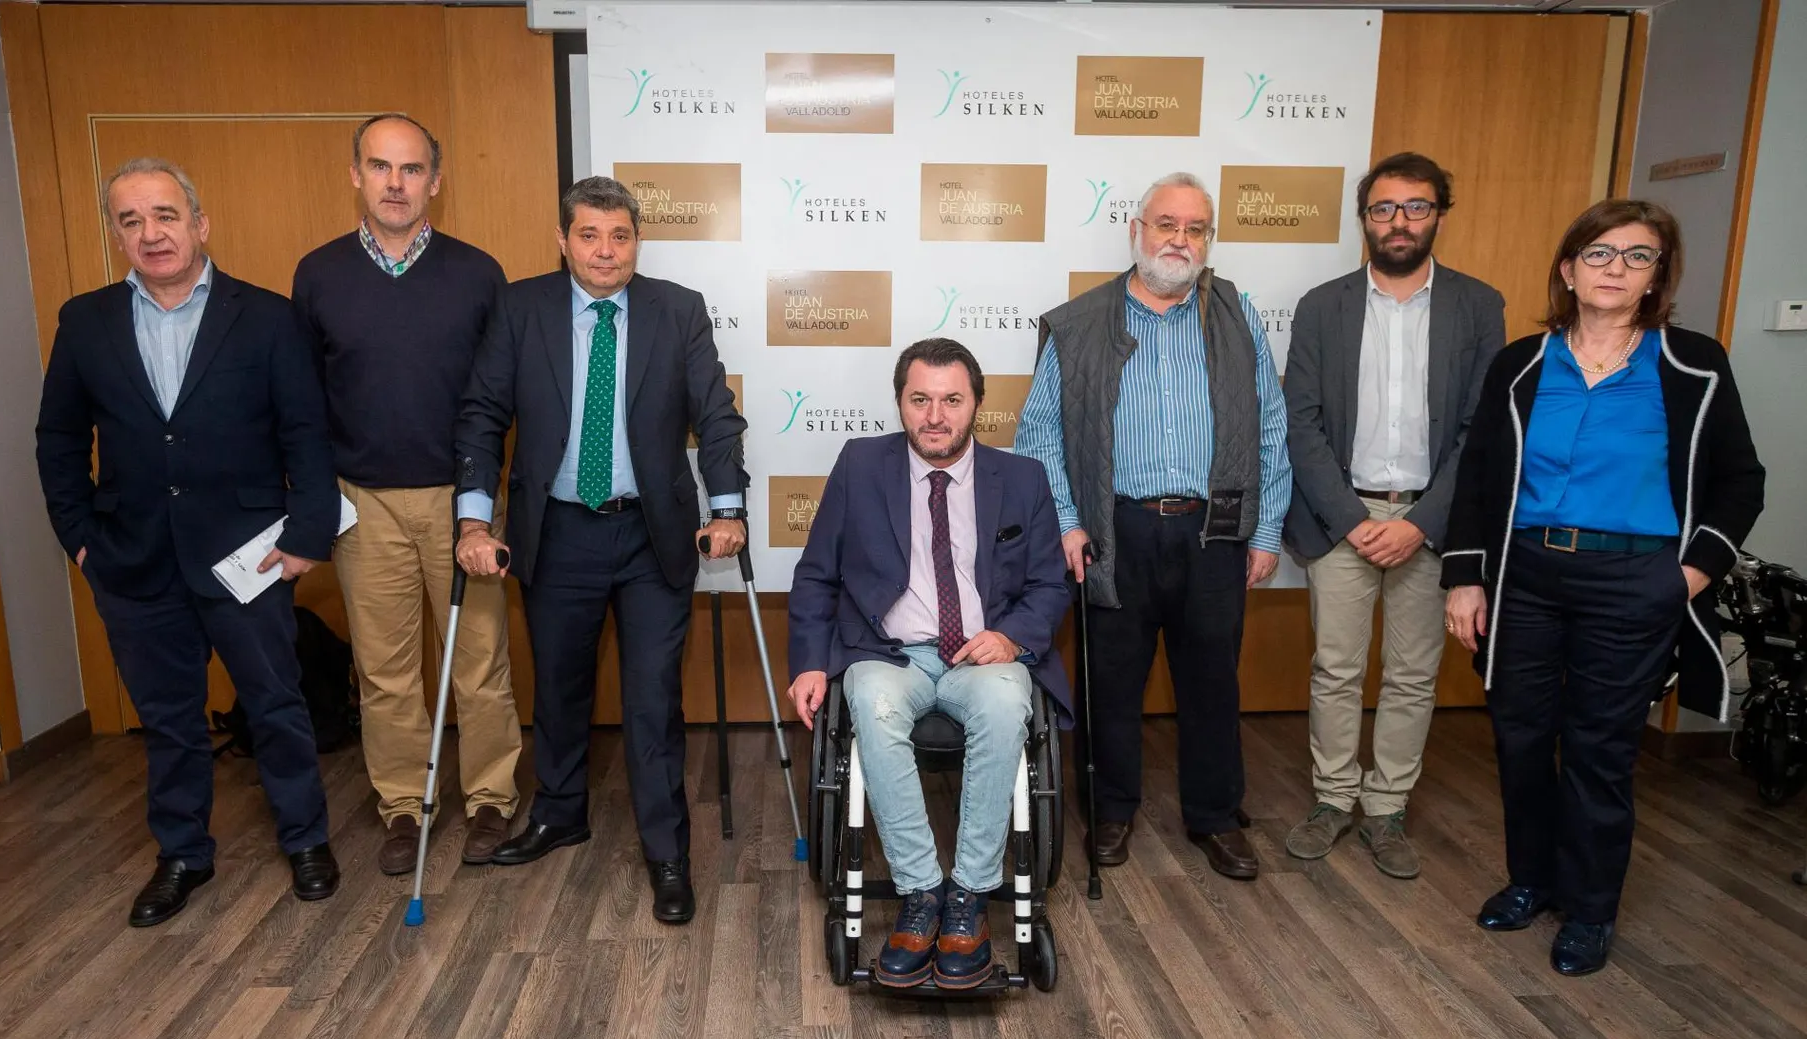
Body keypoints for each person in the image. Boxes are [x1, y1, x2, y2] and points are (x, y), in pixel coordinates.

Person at [1442, 199, 1763, 976]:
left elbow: (1740, 481)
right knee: (1520, 735)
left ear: (1658, 275)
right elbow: (1480, 476)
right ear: (1568, 269)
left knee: (1599, 747)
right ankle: (1531, 880)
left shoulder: (1693, 363)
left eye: (1637, 255)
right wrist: (1463, 577)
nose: (1615, 268)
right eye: (1599, 253)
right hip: (1526, 573)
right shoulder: (1521, 362)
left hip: (1634, 579)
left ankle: (1589, 909)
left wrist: (1685, 577)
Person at [35, 158, 341, 926]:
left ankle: (305, 839)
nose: (150, 233)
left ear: (200, 224)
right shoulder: (86, 321)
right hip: (131, 561)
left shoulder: (267, 317)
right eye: (131, 220)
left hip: (248, 557)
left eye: (165, 215)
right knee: (168, 719)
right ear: (116, 234)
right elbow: (59, 439)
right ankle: (182, 855)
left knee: (275, 703)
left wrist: (308, 533)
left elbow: (306, 432)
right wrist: (79, 539)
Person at [452, 176, 749, 925]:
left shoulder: (676, 310)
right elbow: (483, 414)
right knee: (559, 686)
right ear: (564, 239)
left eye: (619, 237)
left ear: (636, 241)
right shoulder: (521, 309)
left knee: (652, 697)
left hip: (651, 534)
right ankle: (560, 812)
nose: (605, 251)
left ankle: (667, 848)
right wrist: (473, 520)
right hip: (556, 530)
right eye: (589, 235)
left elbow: (715, 415)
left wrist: (728, 508)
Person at [1014, 171, 1291, 881]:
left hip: (1215, 532)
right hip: (1116, 531)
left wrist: (1264, 532)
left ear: (1209, 240)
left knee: (1212, 682)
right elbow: (1039, 435)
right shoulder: (1079, 324)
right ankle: (1110, 810)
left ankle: (1216, 815)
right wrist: (1068, 524)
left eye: (1195, 228)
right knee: (1110, 679)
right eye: (1166, 223)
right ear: (1135, 231)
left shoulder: (1235, 313)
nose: (1180, 239)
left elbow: (1269, 425)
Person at [788, 339, 1073, 990]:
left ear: (977, 404)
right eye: (920, 399)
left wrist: (1010, 636)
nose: (936, 415)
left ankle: (969, 894)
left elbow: (1051, 585)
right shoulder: (861, 465)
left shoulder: (1022, 478)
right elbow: (815, 575)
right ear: (900, 403)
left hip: (984, 651)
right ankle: (920, 890)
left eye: (951, 399)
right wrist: (808, 662)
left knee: (1009, 702)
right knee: (872, 701)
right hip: (890, 651)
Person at [291, 114, 523, 874]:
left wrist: (481, 504)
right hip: (365, 502)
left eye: (412, 168)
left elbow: (497, 400)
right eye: (381, 167)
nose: (397, 183)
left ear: (436, 179)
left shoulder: (478, 272)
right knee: (385, 671)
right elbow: (304, 401)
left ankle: (490, 797)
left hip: (464, 502)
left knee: (478, 661)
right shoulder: (319, 274)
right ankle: (403, 805)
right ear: (355, 174)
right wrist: (316, 504)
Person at [1281, 153, 1506, 879]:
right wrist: (1351, 519)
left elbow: (1482, 430)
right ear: (1364, 218)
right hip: (1342, 517)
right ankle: (1331, 798)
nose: (1399, 221)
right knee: (1336, 668)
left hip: (1431, 522)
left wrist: (1421, 522)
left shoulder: (1479, 306)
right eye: (1384, 208)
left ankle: (1386, 808)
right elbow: (1302, 423)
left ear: (1440, 212)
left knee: (1413, 674)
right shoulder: (1323, 305)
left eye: (1415, 206)